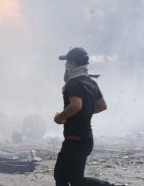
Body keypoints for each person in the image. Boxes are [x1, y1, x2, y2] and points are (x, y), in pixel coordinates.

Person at [54, 47, 121, 186]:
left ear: (72, 62)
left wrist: (60, 117)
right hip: (80, 138)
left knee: (76, 181)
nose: (66, 66)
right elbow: (102, 106)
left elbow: (76, 105)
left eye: (67, 62)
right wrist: (85, 112)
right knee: (60, 175)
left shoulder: (74, 83)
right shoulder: (91, 83)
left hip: (77, 140)